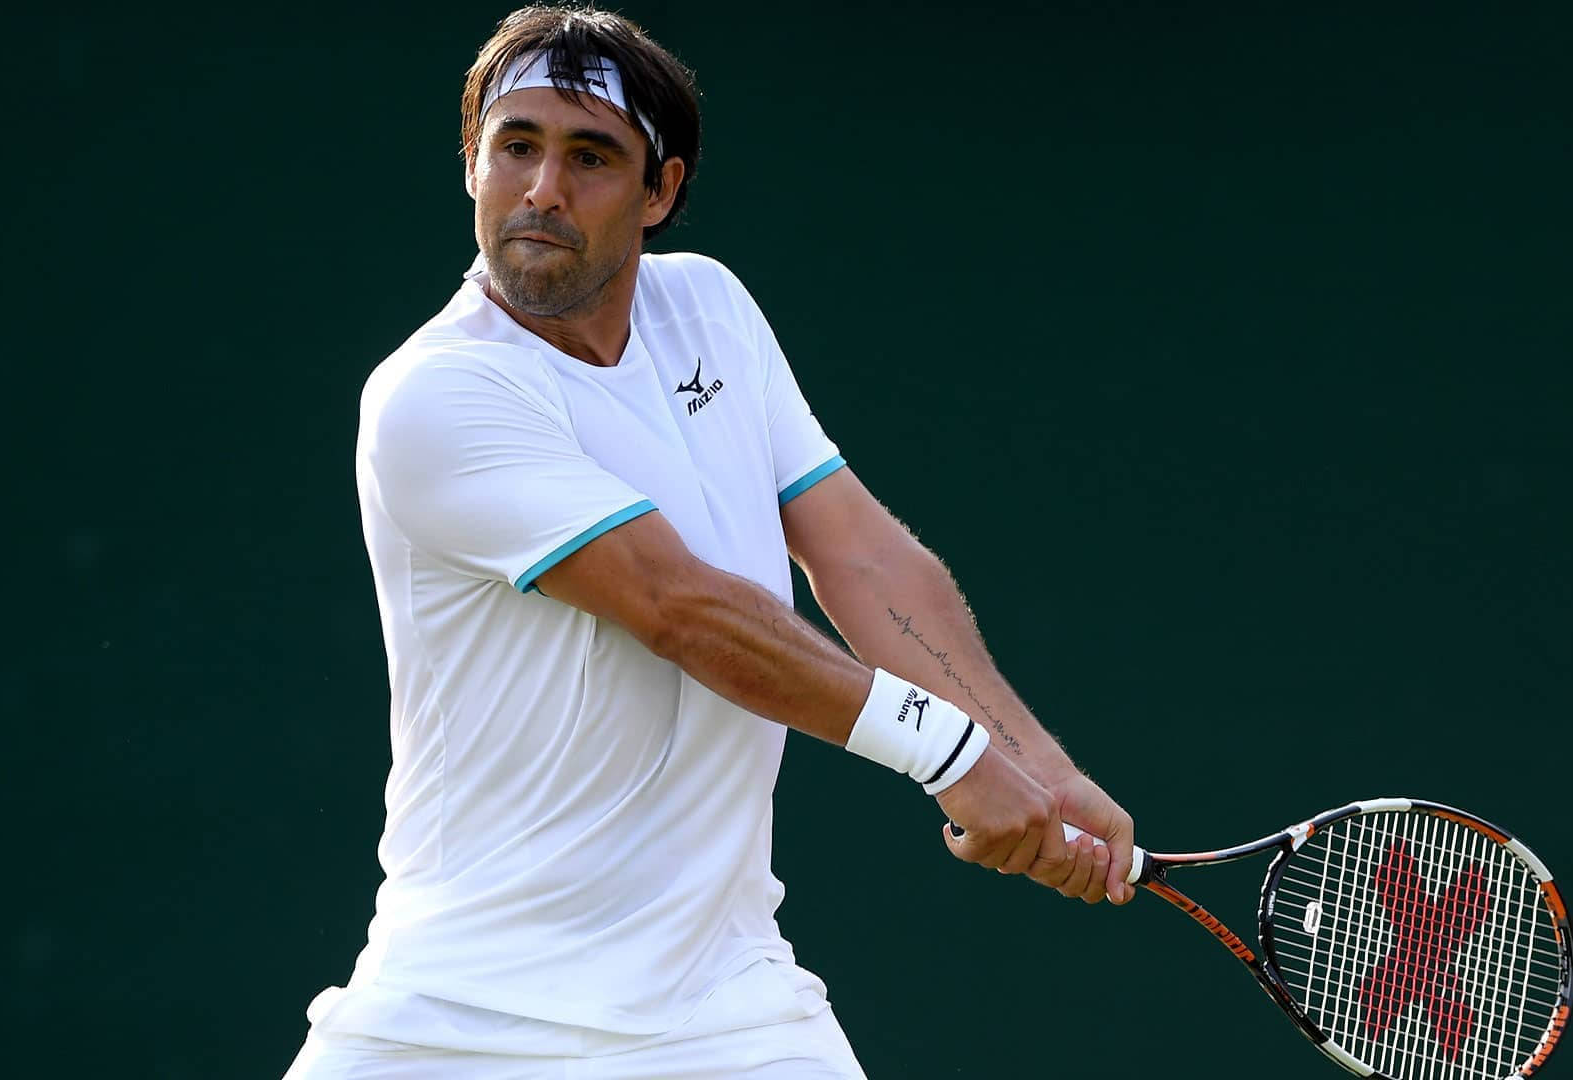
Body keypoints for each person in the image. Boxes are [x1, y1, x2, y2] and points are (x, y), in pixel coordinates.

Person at [283, 6, 1136, 1077]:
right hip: (461, 1021)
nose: (542, 190)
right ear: (472, 165)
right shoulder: (435, 395)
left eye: (589, 156)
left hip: (726, 1011)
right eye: (516, 147)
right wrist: (952, 754)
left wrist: (1032, 763)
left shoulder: (712, 314)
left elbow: (865, 558)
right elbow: (682, 612)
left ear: (660, 192)